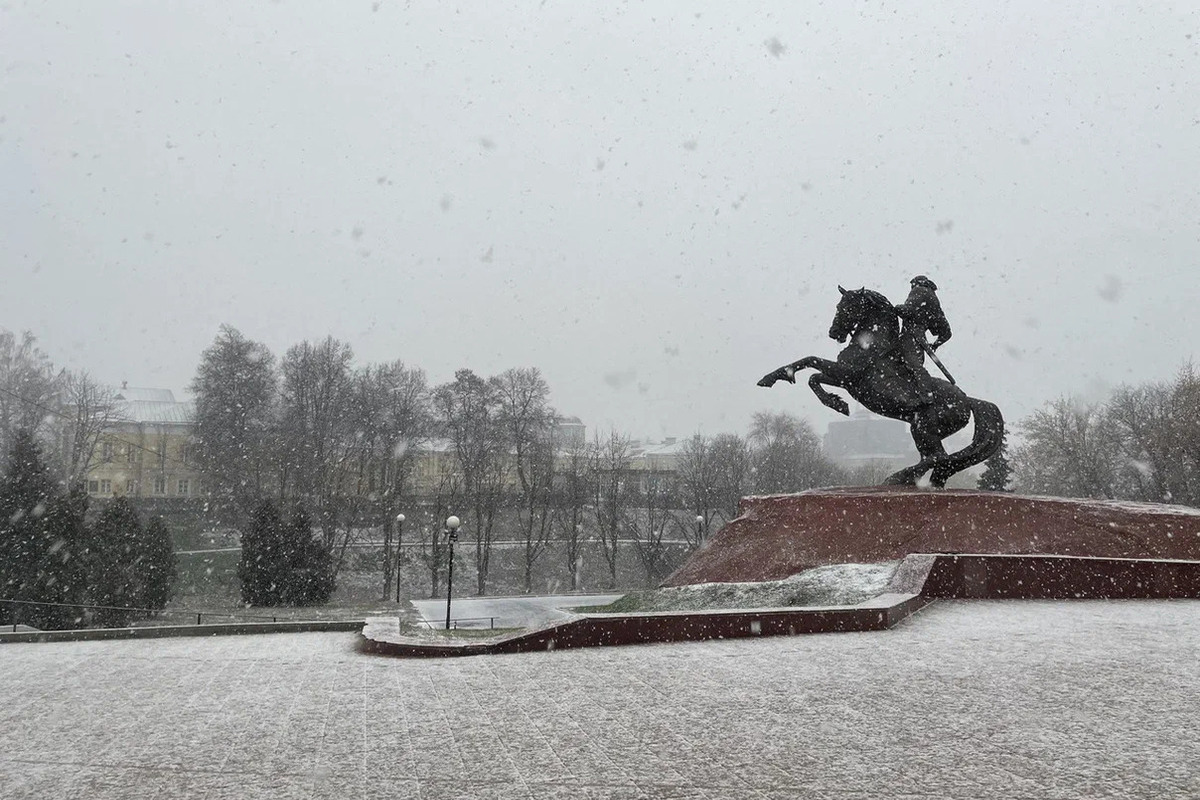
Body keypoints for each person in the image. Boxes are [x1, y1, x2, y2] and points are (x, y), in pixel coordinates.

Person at [895, 275, 951, 395]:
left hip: (910, 337)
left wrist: (896, 308)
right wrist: (935, 345)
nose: (911, 289)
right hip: (919, 341)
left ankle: (926, 394)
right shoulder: (933, 298)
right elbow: (946, 332)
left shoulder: (919, 290)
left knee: (913, 365)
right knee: (912, 367)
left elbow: (908, 310)